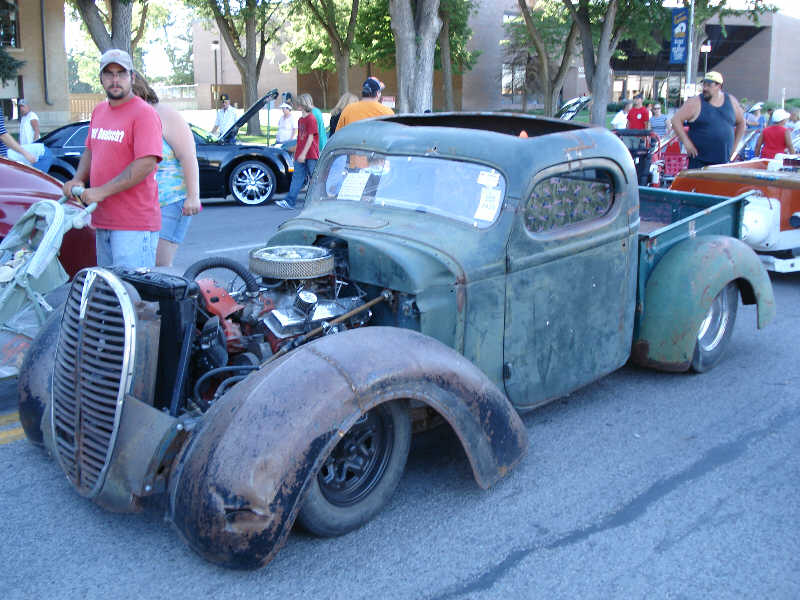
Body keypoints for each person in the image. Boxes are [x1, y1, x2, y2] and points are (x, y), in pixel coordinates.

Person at [61, 48, 163, 268]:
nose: (115, 80)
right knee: (111, 292)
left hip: (133, 224)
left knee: (134, 296)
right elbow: (90, 149)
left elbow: (146, 163)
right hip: (103, 219)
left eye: (121, 74)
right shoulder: (99, 111)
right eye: (109, 74)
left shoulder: (143, 113)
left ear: (132, 78)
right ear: (101, 78)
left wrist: (101, 192)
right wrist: (78, 179)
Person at [131, 73, 202, 267]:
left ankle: (171, 298)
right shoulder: (130, 117)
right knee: (143, 265)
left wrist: (193, 196)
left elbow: (188, 155)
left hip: (170, 200)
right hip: (142, 205)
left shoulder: (164, 114)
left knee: (159, 264)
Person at [670, 71, 746, 169]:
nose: (705, 88)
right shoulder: (695, 103)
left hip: (723, 162)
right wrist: (687, 143)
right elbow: (675, 120)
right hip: (700, 162)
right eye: (704, 84)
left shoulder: (731, 101)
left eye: (709, 85)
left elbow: (742, 123)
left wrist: (734, 148)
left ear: (719, 86)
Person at [276, 93, 319, 209]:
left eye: (299, 103)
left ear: (304, 104)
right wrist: (297, 152)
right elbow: (300, 138)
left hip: (310, 154)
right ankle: (290, 201)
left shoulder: (311, 119)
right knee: (297, 177)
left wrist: (304, 154)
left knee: (314, 178)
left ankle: (318, 202)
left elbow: (310, 137)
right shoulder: (300, 120)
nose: (297, 105)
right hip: (300, 154)